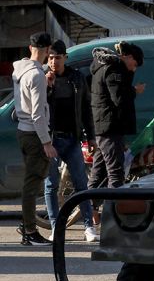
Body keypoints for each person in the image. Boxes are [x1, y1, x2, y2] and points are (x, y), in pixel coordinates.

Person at [43, 40, 97, 241]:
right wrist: (48, 87)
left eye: (57, 57)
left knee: (81, 183)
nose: (53, 61)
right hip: (50, 139)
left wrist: (90, 137)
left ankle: (88, 227)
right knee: (51, 185)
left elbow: (85, 108)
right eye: (50, 58)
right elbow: (39, 108)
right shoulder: (42, 78)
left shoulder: (76, 78)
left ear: (65, 57)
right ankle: (57, 227)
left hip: (72, 137)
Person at [12, 33, 55, 245]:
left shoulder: (21, 70)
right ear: (47, 50)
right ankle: (29, 230)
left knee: (31, 181)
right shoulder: (37, 76)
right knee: (32, 183)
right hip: (34, 133)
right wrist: (46, 142)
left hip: (23, 130)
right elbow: (37, 114)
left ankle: (27, 226)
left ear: (30, 48)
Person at [89, 41, 145, 198]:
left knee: (98, 173)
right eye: (134, 64)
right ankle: (112, 212)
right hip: (110, 127)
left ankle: (90, 210)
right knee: (115, 174)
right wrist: (134, 90)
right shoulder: (114, 69)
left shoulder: (103, 66)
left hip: (103, 127)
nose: (134, 69)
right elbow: (120, 98)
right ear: (128, 57)